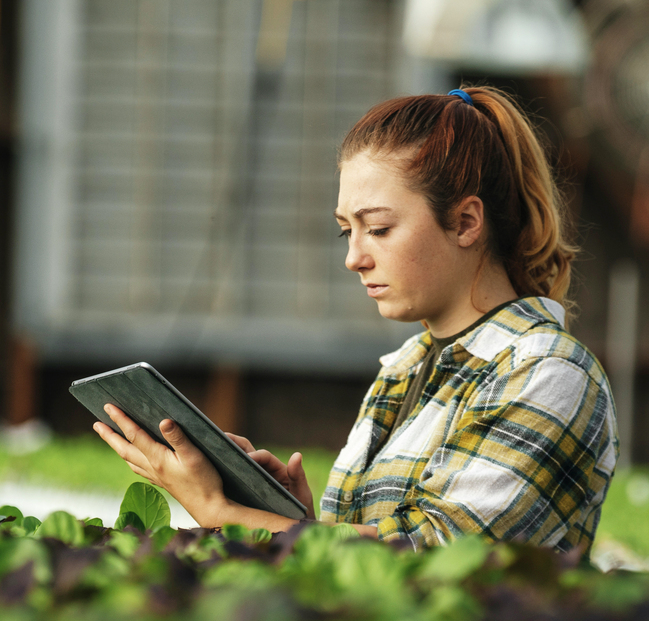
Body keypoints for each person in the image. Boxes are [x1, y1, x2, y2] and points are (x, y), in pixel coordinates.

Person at [95, 86, 619, 551]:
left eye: (380, 229)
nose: (355, 258)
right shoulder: (405, 368)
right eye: (348, 231)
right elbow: (363, 561)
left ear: (465, 222)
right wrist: (291, 519)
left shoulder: (549, 372)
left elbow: (436, 556)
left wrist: (227, 516)